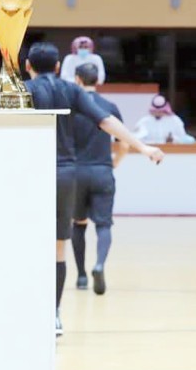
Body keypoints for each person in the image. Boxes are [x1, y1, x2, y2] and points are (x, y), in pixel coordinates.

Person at [24, 42, 164, 336]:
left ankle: (27, 310)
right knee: (58, 247)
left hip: (30, 174)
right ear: (59, 67)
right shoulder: (70, 90)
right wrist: (142, 147)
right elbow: (107, 121)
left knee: (26, 244)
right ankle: (54, 314)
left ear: (27, 66)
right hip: (65, 173)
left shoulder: (22, 90)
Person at [70, 62, 127, 296]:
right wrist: (114, 163)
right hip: (102, 171)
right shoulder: (109, 107)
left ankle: (81, 276)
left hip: (76, 172)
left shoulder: (71, 107)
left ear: (77, 80)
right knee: (104, 224)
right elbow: (123, 143)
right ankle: (100, 264)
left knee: (78, 223)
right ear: (98, 80)